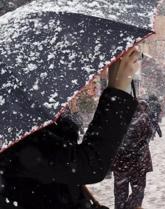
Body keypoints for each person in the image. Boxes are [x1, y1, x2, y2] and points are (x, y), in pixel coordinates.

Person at [0, 47, 141, 209]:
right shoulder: (19, 139)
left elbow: (68, 195)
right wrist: (118, 88)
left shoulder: (26, 129)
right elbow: (91, 164)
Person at [112, 100, 153, 209]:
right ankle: (132, 206)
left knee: (120, 194)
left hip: (120, 162)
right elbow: (149, 134)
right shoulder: (144, 117)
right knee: (138, 192)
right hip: (139, 161)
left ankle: (122, 207)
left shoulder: (116, 118)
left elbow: (110, 140)